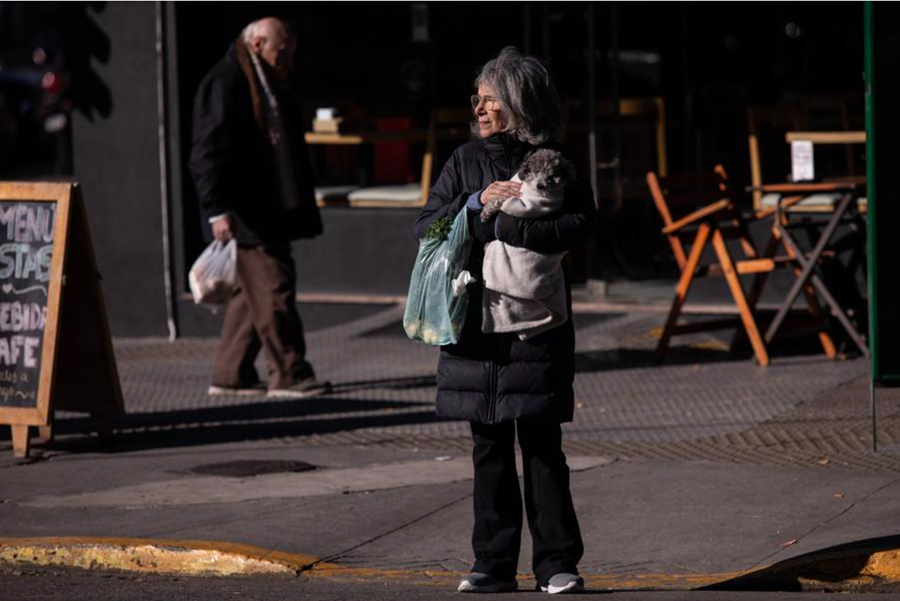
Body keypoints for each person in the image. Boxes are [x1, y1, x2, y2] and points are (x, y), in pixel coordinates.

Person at [414, 47, 595, 594]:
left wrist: (507, 229)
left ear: (518, 104)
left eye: (491, 99)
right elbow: (428, 226)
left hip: (535, 325)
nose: (480, 107)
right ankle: (491, 564)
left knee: (541, 444)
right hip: (474, 325)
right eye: (479, 98)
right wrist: (473, 207)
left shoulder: (556, 160)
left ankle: (557, 563)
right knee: (488, 445)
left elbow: (581, 225)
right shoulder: (464, 161)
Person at [189, 17, 329, 399]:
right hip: (246, 212)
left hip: (261, 208)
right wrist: (216, 210)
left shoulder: (261, 80)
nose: (287, 61)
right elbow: (207, 153)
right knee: (273, 286)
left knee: (252, 294)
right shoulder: (228, 82)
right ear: (257, 45)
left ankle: (230, 372)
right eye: (281, 52)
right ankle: (289, 372)